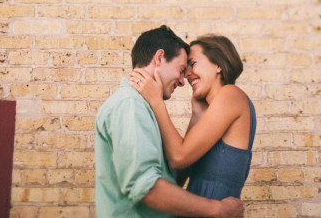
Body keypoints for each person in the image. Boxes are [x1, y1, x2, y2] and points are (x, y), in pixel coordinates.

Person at [95, 25, 244, 218]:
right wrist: (218, 210)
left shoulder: (143, 107)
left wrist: (195, 119)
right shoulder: (130, 105)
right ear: (159, 58)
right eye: (182, 69)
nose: (184, 81)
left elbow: (171, 179)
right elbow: (146, 187)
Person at [130, 34, 255, 204]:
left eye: (193, 64)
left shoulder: (231, 94)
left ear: (218, 64)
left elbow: (178, 158)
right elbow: (180, 175)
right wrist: (196, 115)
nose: (187, 74)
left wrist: (156, 101)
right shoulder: (214, 110)